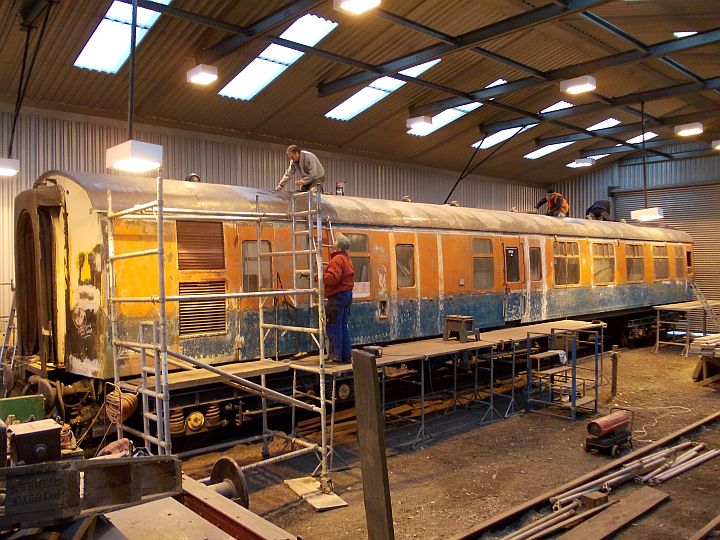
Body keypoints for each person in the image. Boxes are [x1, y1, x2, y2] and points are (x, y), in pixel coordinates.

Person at [323, 233, 354, 363]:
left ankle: (336, 357)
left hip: (337, 297)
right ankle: (346, 356)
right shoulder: (347, 259)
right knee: (342, 327)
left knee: (334, 326)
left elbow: (333, 279)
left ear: (337, 245)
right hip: (346, 295)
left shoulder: (336, 260)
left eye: (335, 241)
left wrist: (319, 276)